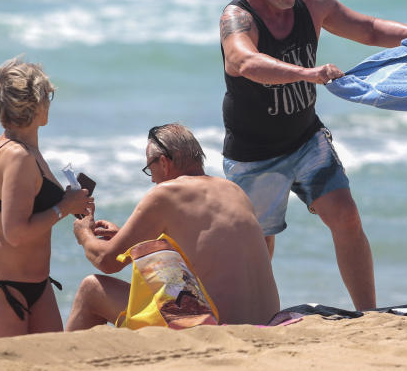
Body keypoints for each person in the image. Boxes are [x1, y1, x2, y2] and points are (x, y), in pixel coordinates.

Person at [219, 0, 407, 310]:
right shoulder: (238, 17)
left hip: (306, 139)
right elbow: (242, 62)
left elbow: (369, 28)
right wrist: (306, 74)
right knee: (260, 245)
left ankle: (368, 314)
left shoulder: (312, 3)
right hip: (254, 154)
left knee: (347, 216)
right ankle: (255, 318)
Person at [66, 123, 280, 329]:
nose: (152, 180)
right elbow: (208, 252)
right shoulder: (234, 191)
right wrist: (125, 236)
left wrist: (84, 233)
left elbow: (106, 261)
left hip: (216, 328)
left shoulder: (166, 194)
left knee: (91, 289)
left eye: (150, 168)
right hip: (267, 321)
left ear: (164, 163)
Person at [0, 56, 93, 343]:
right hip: (0, 286)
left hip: (36, 284)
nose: (49, 103)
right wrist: (63, 207)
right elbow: (16, 233)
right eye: (48, 96)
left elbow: (32, 207)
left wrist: (73, 205)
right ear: (35, 104)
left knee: (54, 370)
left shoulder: (20, 148)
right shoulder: (18, 156)